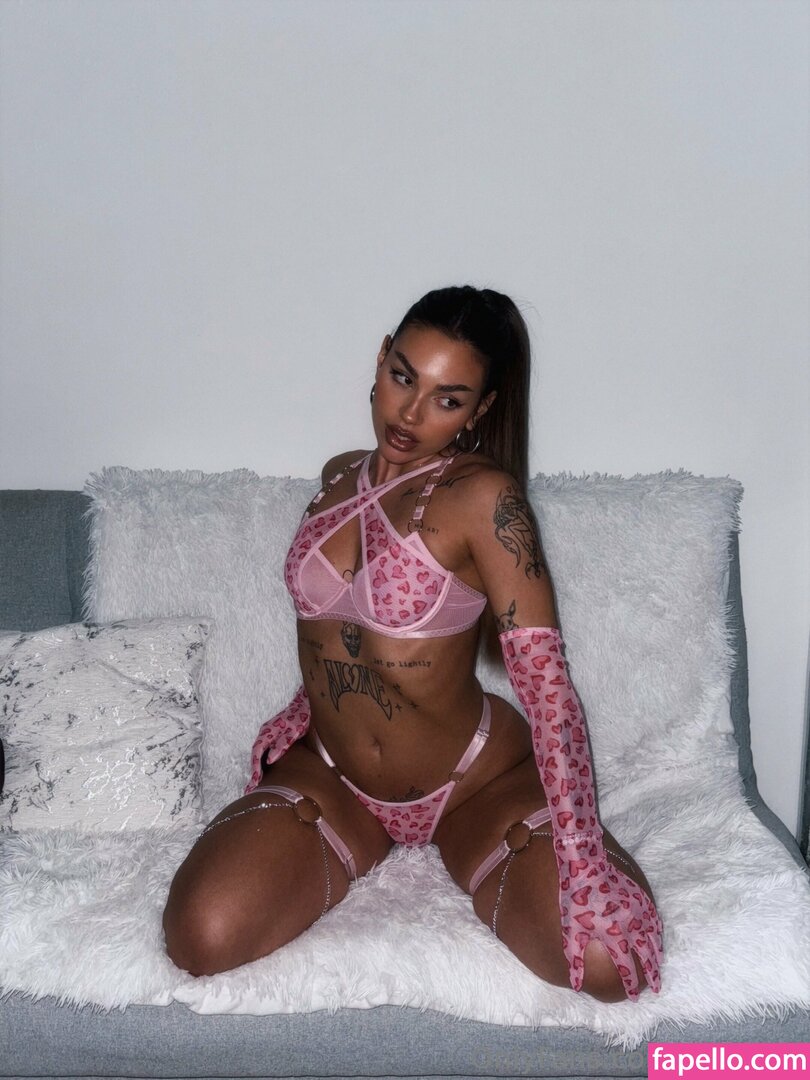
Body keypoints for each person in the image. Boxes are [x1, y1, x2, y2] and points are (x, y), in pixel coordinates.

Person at [163, 285, 663, 1002]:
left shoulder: (484, 500)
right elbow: (343, 635)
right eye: (403, 377)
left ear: (480, 410)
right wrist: (301, 710)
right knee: (200, 937)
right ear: (381, 360)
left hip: (473, 783)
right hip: (335, 774)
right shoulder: (338, 477)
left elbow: (549, 690)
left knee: (612, 966)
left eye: (447, 399)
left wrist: (583, 862)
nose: (410, 413)